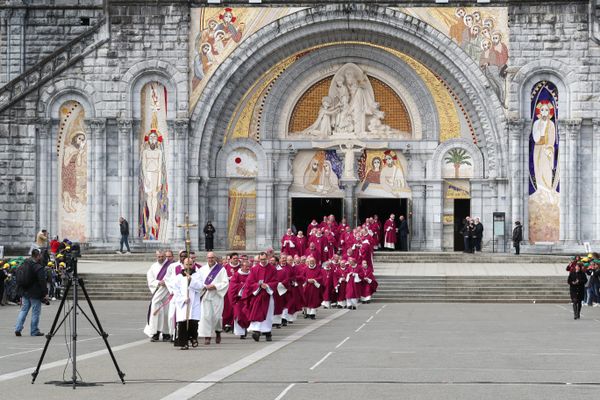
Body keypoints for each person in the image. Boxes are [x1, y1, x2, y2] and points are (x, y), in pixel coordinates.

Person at [244, 252, 277, 342]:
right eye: (261, 259)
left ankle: (267, 333)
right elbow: (249, 282)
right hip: (257, 295)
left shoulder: (273, 269)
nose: (262, 261)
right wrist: (258, 285)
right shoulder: (254, 269)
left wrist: (268, 285)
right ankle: (256, 331)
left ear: (268, 258)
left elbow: (276, 281)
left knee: (268, 314)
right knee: (256, 313)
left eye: (264, 259)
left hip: (267, 295)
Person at [197, 252, 229, 345]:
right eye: (209, 258)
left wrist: (215, 286)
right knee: (206, 316)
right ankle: (207, 336)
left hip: (216, 296)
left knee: (217, 317)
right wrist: (204, 286)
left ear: (215, 258)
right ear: (206, 258)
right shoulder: (202, 269)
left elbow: (225, 283)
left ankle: (218, 332)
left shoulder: (221, 269)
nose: (210, 259)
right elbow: (198, 281)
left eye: (212, 258)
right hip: (206, 296)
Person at [14, 249, 48, 337]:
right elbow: (42, 281)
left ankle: (18, 328)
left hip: (25, 291)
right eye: (40, 255)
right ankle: (34, 331)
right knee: (35, 312)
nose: (41, 257)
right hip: (35, 293)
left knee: (24, 310)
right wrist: (45, 293)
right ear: (37, 256)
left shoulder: (24, 263)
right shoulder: (38, 267)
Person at [173, 258, 203, 350]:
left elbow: (201, 287)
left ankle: (193, 338)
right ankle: (183, 343)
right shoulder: (179, 277)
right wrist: (183, 299)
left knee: (193, 323)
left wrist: (191, 281)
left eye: (190, 264)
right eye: (187, 264)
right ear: (183, 265)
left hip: (194, 304)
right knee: (182, 324)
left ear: (193, 264)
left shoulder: (197, 275)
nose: (189, 267)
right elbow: (176, 290)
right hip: (183, 304)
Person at [144, 250, 171, 342]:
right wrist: (159, 282)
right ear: (156, 257)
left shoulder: (170, 266)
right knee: (156, 313)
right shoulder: (153, 267)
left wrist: (166, 282)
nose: (161, 258)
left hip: (167, 293)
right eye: (159, 256)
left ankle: (166, 333)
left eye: (162, 256)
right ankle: (155, 333)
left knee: (167, 314)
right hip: (158, 293)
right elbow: (150, 280)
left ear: (165, 256)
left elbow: (174, 278)